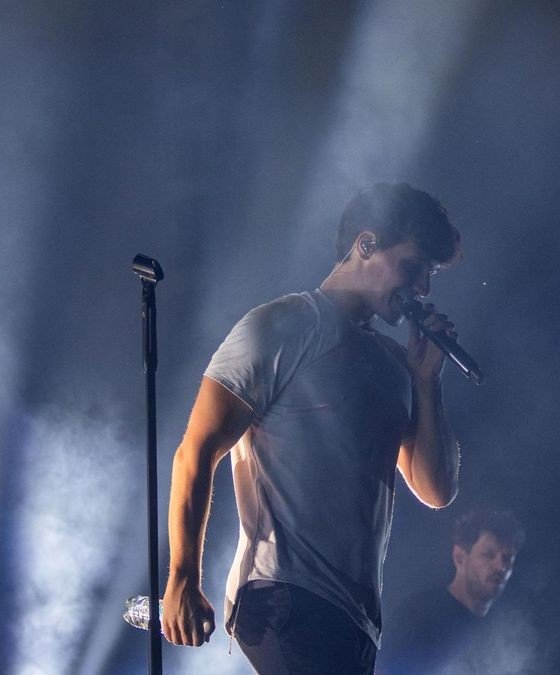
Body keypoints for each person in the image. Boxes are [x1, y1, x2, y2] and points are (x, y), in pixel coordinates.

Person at [160, 182, 464, 674]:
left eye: (429, 275)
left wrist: (428, 382)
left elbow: (436, 488)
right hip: (283, 596)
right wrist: (182, 577)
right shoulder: (283, 326)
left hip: (356, 618)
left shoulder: (394, 364)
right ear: (366, 245)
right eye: (414, 268)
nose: (422, 290)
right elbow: (196, 450)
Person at [378, 508, 525, 674]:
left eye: (507, 558)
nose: (501, 567)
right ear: (460, 557)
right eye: (488, 555)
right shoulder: (420, 615)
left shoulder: (500, 630)